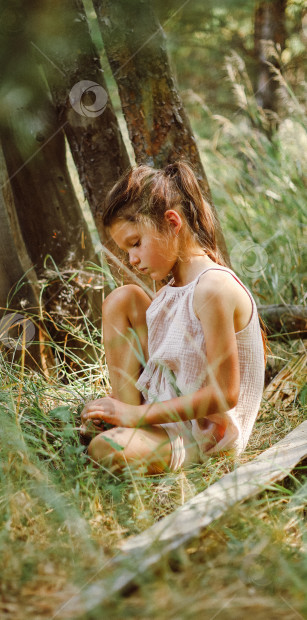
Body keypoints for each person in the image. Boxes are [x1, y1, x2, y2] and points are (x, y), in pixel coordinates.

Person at [80, 160, 269, 475]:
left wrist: (135, 415)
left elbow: (224, 394)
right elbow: (171, 364)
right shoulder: (171, 288)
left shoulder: (213, 288)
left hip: (203, 436)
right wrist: (120, 407)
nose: (133, 259)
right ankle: (125, 422)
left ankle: (130, 426)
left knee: (104, 449)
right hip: (167, 419)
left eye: (136, 243)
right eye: (127, 251)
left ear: (172, 222)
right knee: (121, 299)